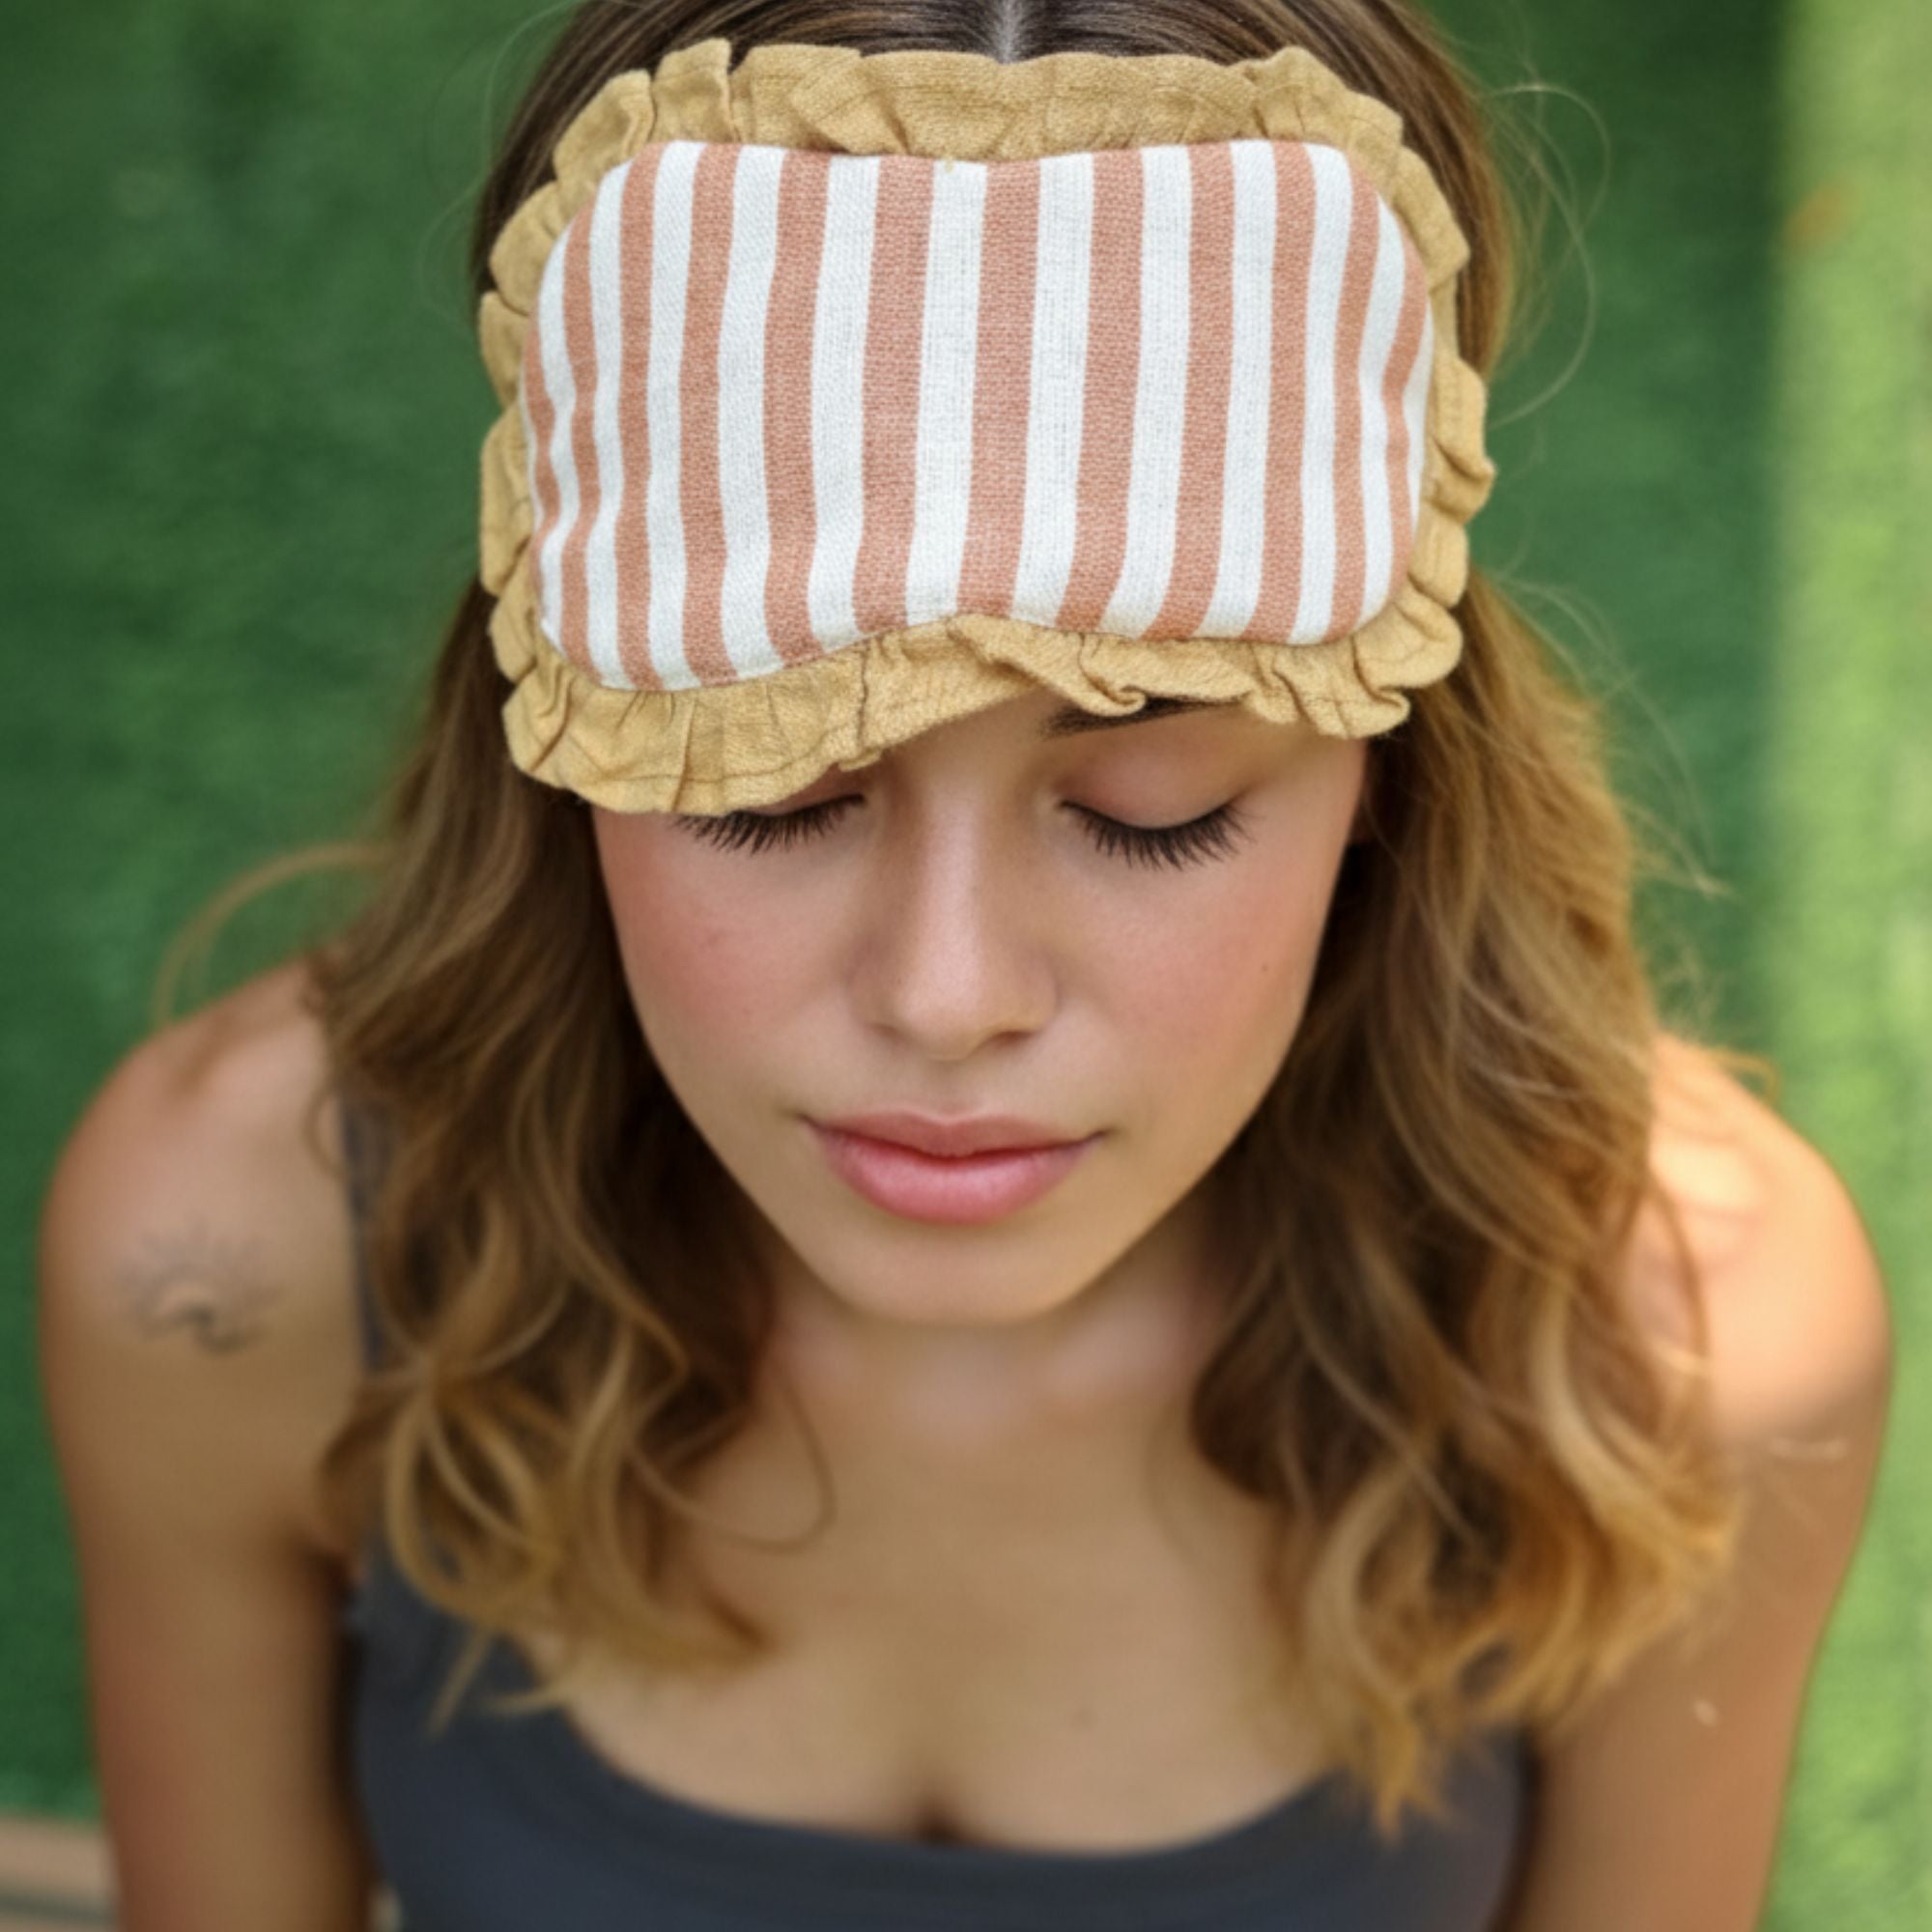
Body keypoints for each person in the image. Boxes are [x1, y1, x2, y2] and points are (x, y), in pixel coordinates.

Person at [35, 2, 1892, 1928]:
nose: (944, 993)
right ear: (556, 733)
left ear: (1384, 773)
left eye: (1155, 810)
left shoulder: (1685, 1347)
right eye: (765, 795)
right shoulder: (228, 1262)